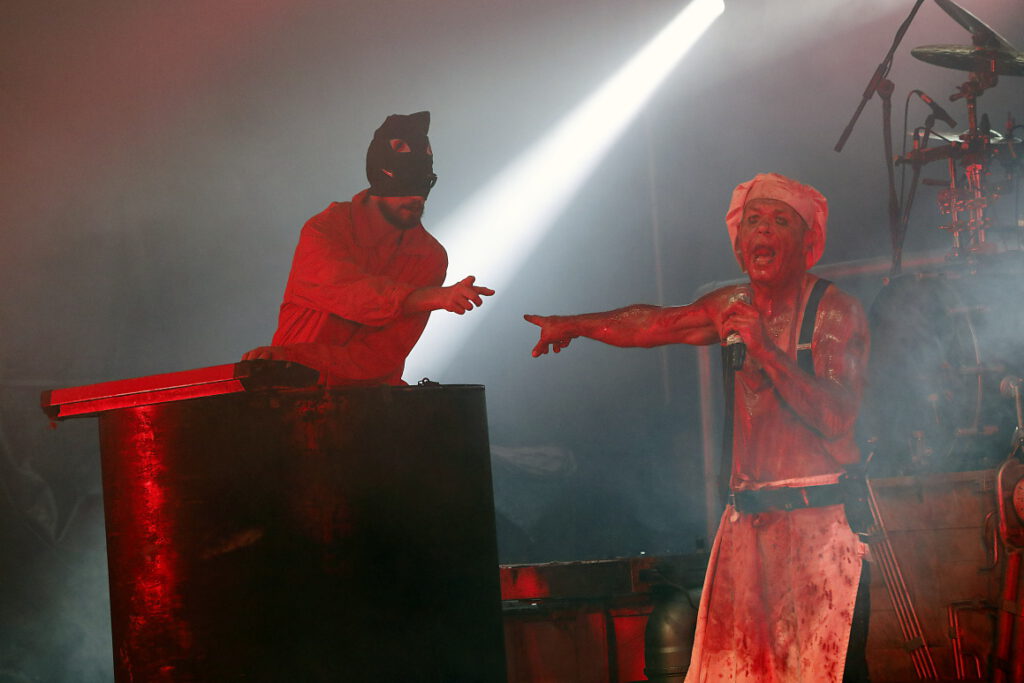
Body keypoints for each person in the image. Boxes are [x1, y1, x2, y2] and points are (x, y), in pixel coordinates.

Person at [525, 172, 871, 682]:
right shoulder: (733, 305)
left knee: (826, 671)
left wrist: (765, 351)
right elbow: (652, 324)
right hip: (748, 527)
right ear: (739, 241)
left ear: (807, 241)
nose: (763, 231)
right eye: (753, 221)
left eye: (780, 221)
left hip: (818, 530)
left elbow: (838, 417)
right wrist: (574, 324)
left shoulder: (834, 312)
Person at [243, 111, 493, 385]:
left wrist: (295, 358)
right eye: (406, 182)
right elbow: (348, 293)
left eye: (424, 183)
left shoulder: (430, 257)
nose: (416, 198)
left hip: (371, 401)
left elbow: (382, 354)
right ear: (380, 175)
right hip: (291, 390)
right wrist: (430, 297)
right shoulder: (325, 228)